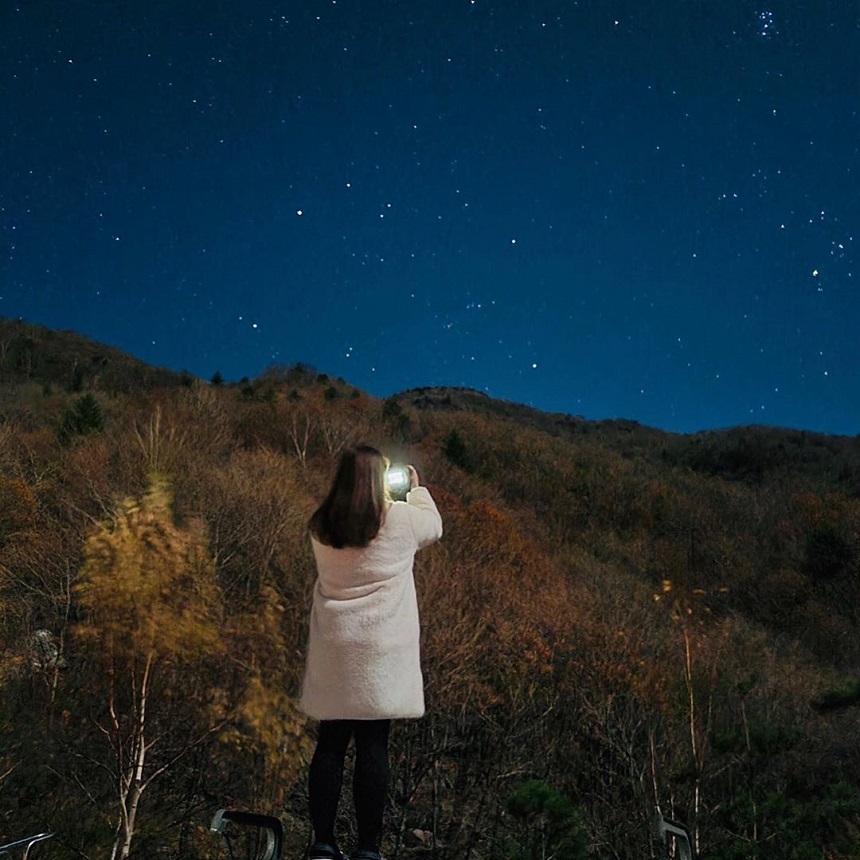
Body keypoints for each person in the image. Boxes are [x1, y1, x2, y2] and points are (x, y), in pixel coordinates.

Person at [300, 445, 443, 860]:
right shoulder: (398, 518)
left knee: (330, 743)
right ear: (379, 478)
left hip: (335, 646)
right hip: (380, 648)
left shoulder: (322, 525)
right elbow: (433, 526)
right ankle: (367, 848)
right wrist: (415, 492)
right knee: (373, 745)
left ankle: (323, 843)